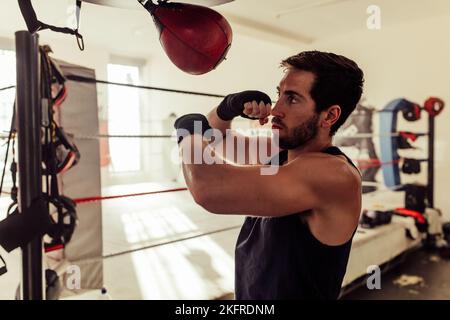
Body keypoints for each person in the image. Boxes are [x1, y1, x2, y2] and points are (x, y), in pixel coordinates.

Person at [174, 50, 364, 299]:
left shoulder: (333, 174)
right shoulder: (278, 153)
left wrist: (188, 132)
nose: (275, 110)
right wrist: (226, 109)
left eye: (292, 99)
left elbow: (207, 188)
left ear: (329, 116)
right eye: (279, 95)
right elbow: (216, 142)